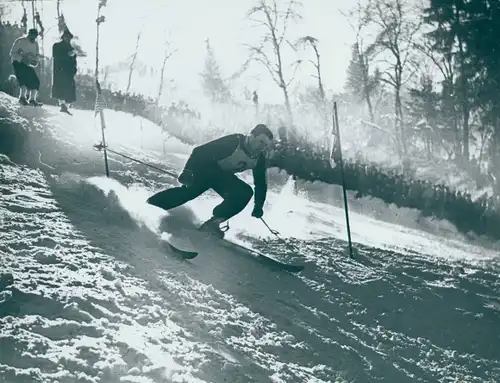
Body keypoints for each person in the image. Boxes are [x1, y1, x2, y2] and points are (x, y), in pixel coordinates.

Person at [147, 124, 274, 238]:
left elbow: (261, 184)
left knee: (245, 192)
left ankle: (214, 222)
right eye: (260, 142)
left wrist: (258, 206)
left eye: (265, 145)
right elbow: (200, 151)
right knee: (188, 194)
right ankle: (149, 207)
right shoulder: (234, 142)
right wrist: (188, 171)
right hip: (205, 170)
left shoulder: (259, 159)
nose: (261, 147)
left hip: (222, 177)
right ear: (251, 135)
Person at [9, 28, 42, 106]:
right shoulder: (20, 41)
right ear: (29, 34)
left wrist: (35, 62)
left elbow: (36, 56)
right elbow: (12, 53)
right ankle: (22, 98)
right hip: (18, 62)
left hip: (28, 64)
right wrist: (21, 58)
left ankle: (32, 99)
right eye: (32, 35)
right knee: (23, 78)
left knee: (36, 81)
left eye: (35, 36)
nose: (33, 37)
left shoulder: (35, 44)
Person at [52, 28, 77, 114]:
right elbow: (56, 56)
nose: (68, 38)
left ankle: (66, 107)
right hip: (60, 70)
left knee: (70, 89)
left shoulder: (71, 48)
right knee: (61, 89)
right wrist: (67, 55)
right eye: (66, 37)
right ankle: (62, 105)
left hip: (69, 72)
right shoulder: (57, 46)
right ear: (63, 37)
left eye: (69, 37)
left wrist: (74, 70)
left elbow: (74, 62)